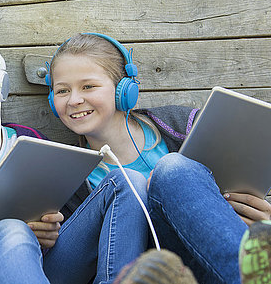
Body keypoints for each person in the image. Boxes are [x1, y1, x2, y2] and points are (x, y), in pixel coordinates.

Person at [0, 35, 150, 284]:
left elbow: (61, 218)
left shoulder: (30, 141)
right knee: (10, 229)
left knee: (125, 180)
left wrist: (50, 230)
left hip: (39, 269)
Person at [46, 32, 271, 284]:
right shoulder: (68, 177)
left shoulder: (184, 127)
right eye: (62, 90)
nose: (74, 100)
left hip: (211, 262)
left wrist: (259, 217)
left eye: (88, 86)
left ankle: (256, 273)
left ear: (124, 89)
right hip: (150, 274)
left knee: (172, 167)